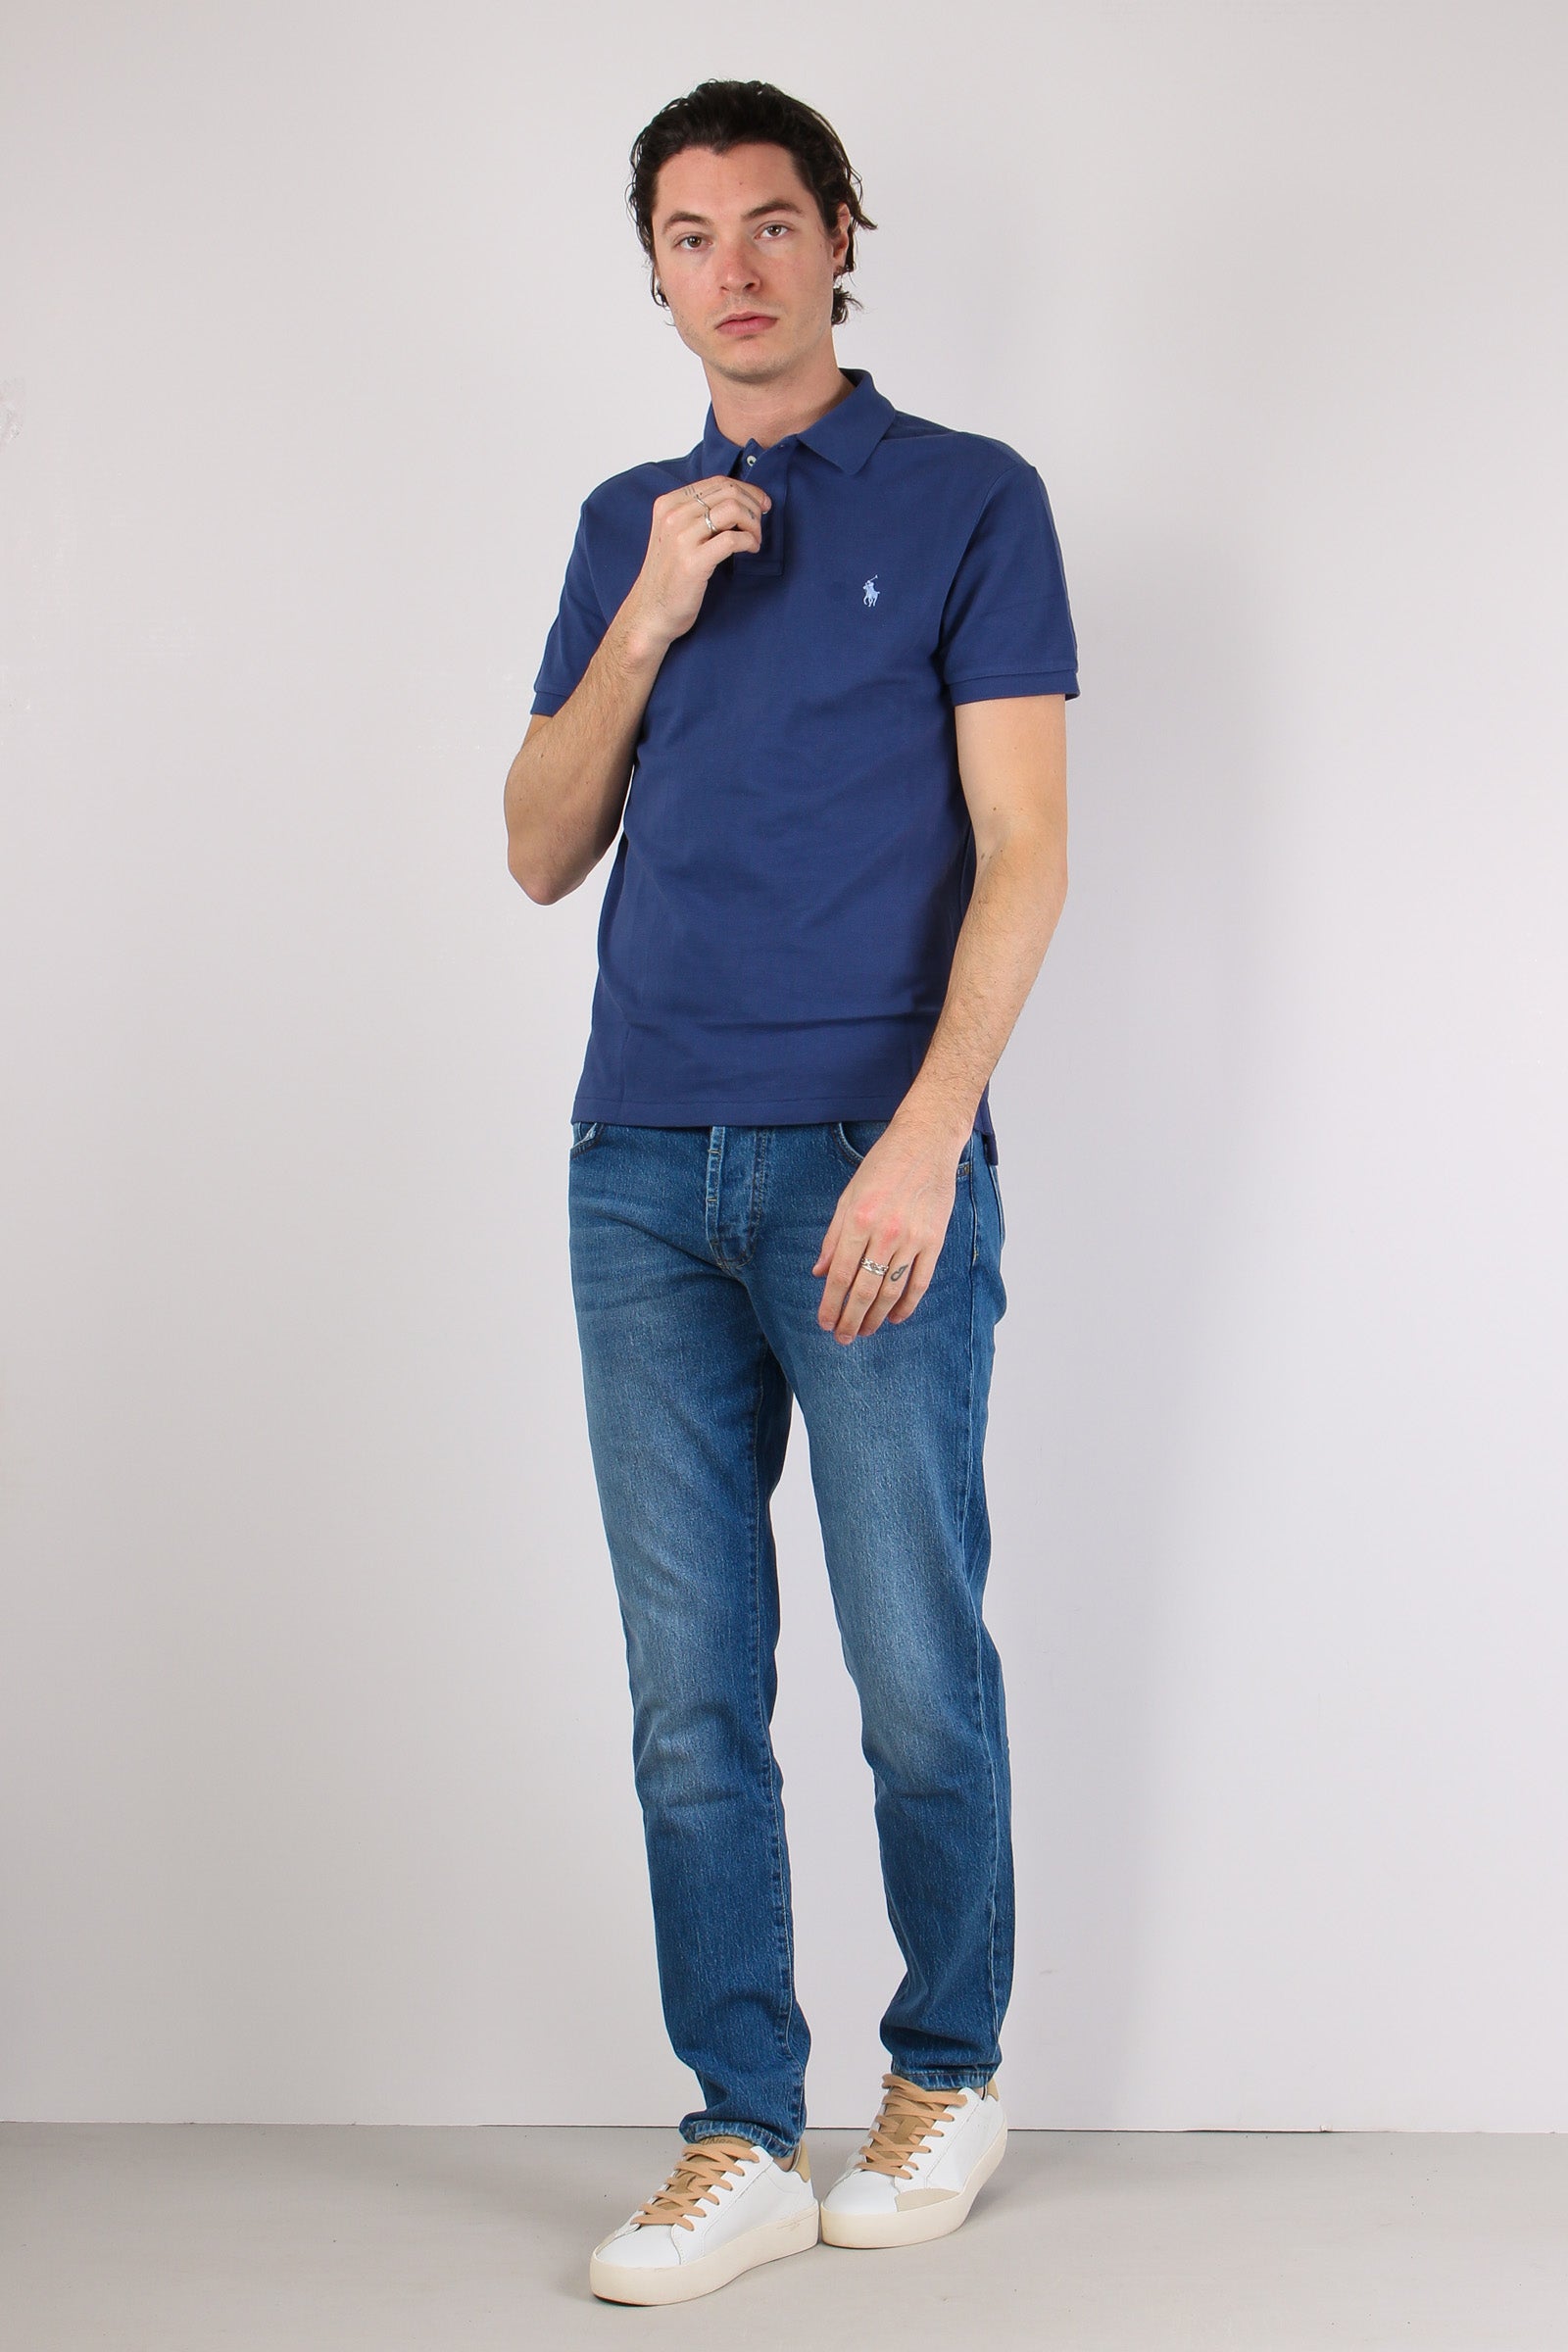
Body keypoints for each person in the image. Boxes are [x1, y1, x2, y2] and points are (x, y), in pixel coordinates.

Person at [504, 76, 1078, 2308]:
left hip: (867, 1154)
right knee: (689, 1691)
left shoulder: (968, 499)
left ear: (842, 235)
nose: (732, 267)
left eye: (769, 221)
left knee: (913, 1656)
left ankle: (945, 2069)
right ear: (652, 274)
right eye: (687, 234)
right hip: (639, 1165)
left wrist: (930, 1139)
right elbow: (538, 846)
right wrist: (646, 613)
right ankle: (738, 2128)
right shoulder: (620, 524)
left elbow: (1023, 849)